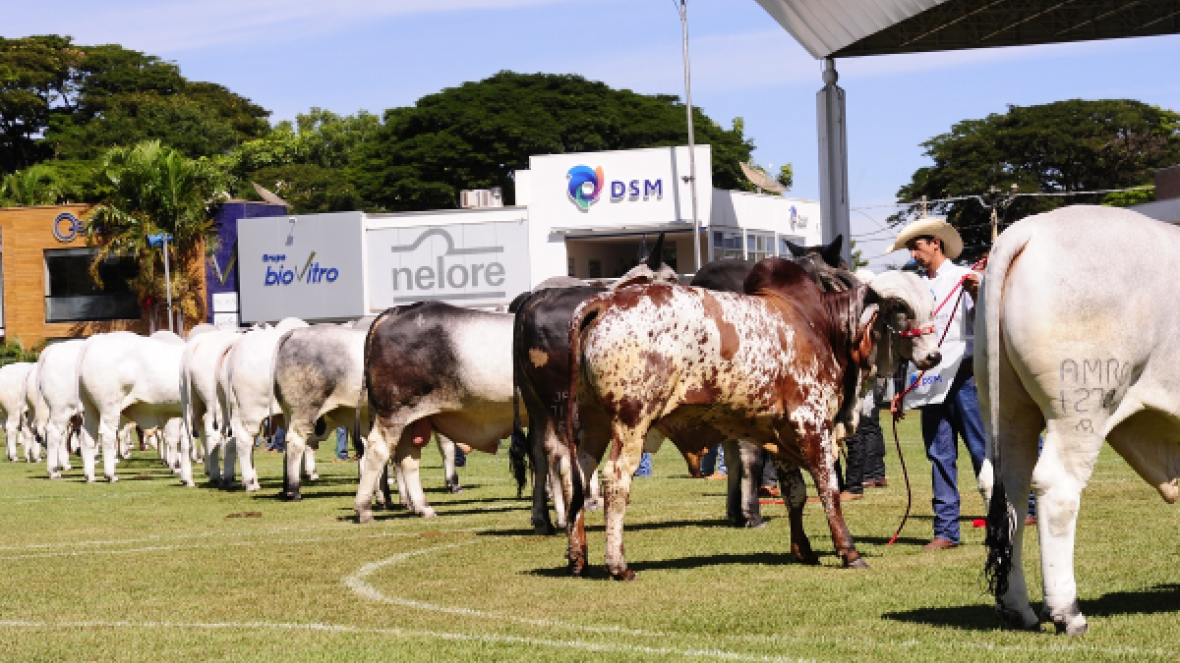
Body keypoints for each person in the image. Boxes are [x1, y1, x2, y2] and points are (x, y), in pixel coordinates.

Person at [889, 218, 985, 551]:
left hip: (965, 376)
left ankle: (1003, 516)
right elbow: (909, 341)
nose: (913, 255)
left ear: (935, 243)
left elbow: (990, 322)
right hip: (930, 380)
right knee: (939, 454)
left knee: (981, 450)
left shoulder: (967, 279)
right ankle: (945, 531)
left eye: (916, 247)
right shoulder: (913, 288)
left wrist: (980, 294)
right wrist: (901, 390)